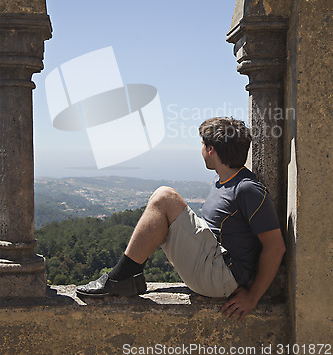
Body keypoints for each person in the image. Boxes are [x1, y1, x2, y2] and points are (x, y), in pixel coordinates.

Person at [76, 117, 286, 320]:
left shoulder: (247, 188)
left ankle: (120, 278)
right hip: (215, 266)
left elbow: (275, 247)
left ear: (210, 150)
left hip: (223, 277)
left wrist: (252, 297)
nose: (202, 150)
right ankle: (130, 276)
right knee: (167, 206)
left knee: (164, 197)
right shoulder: (224, 181)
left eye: (202, 144)